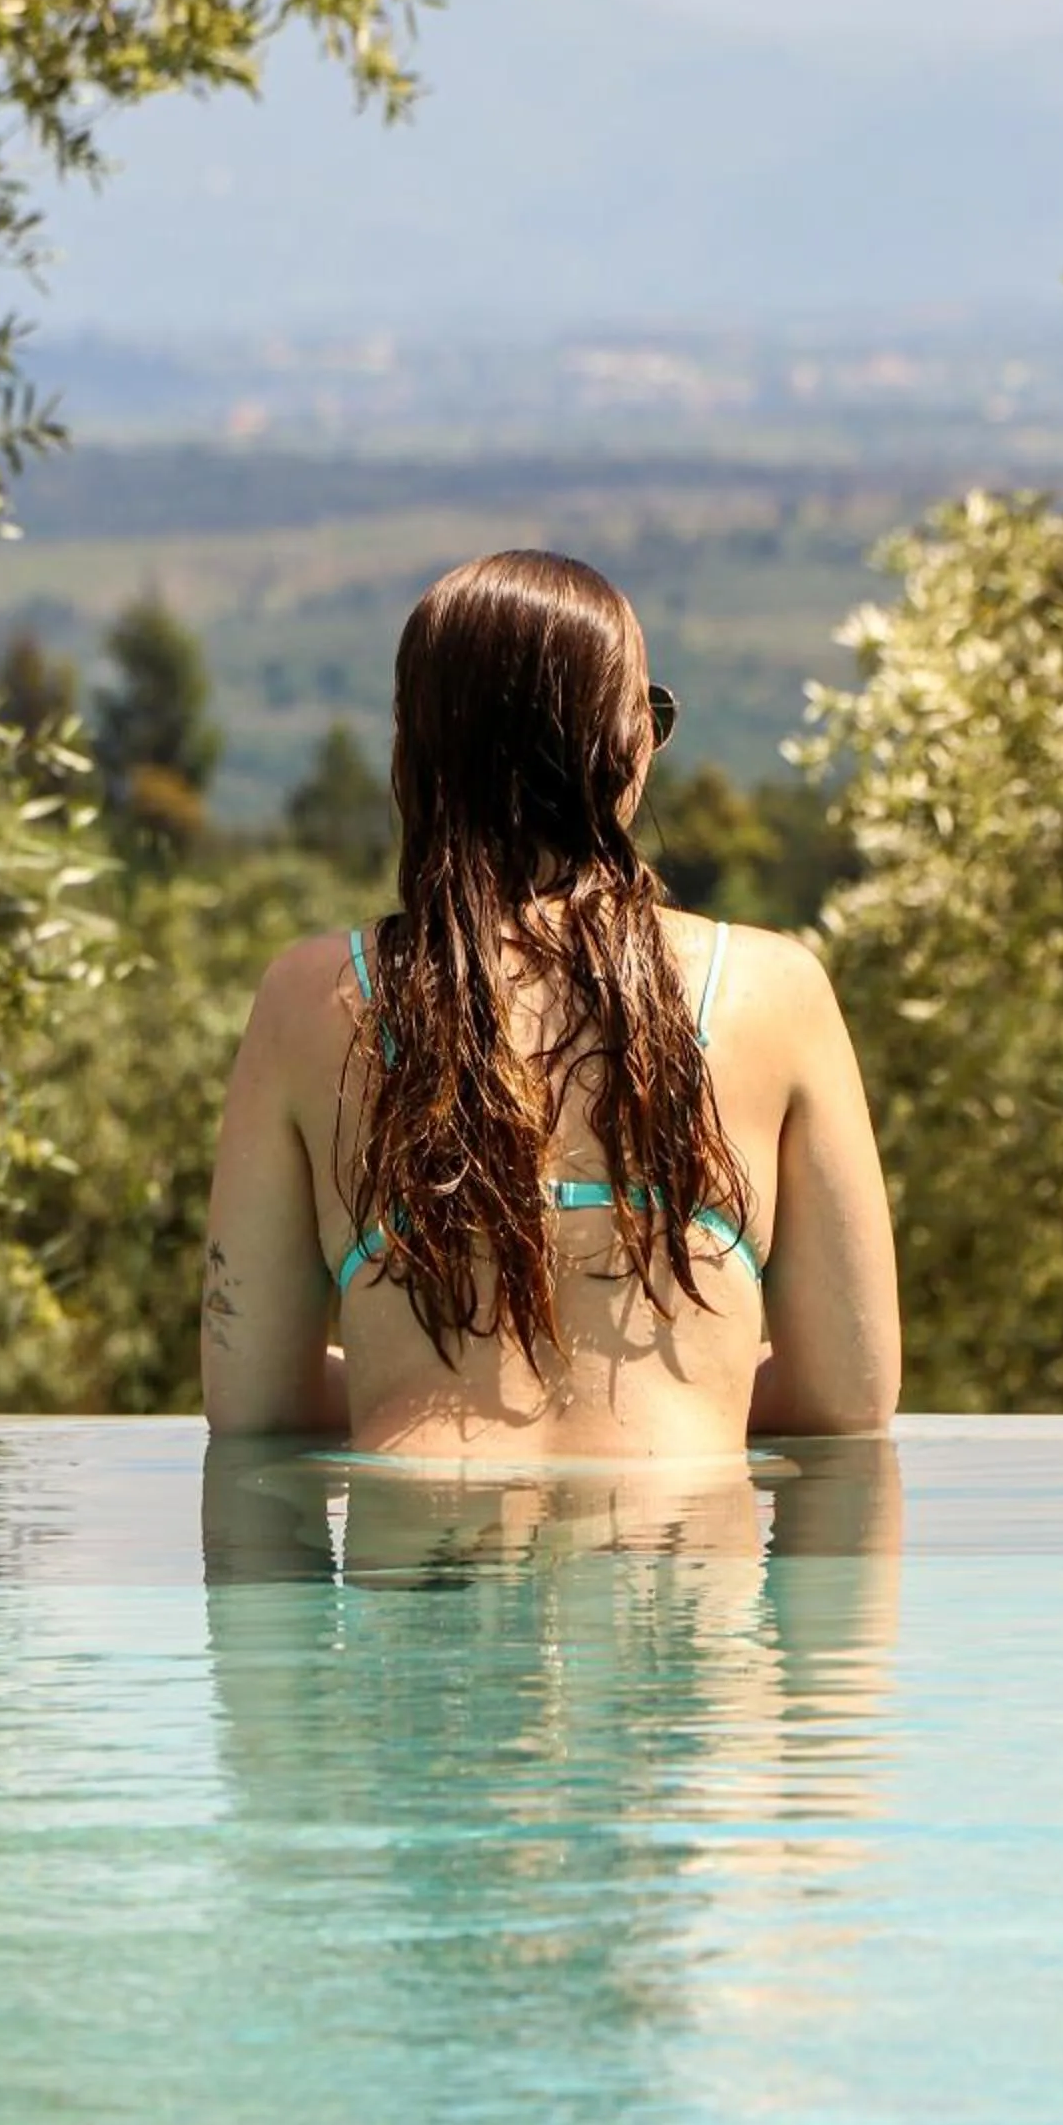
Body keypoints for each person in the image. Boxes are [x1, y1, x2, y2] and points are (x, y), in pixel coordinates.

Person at [202, 550, 899, 1456]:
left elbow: (253, 1404)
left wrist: (399, 1383)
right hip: (672, 1568)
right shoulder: (773, 991)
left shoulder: (311, 1000)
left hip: (423, 1569)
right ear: (621, 748)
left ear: (418, 752)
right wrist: (692, 1395)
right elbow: (850, 1396)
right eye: (651, 715)